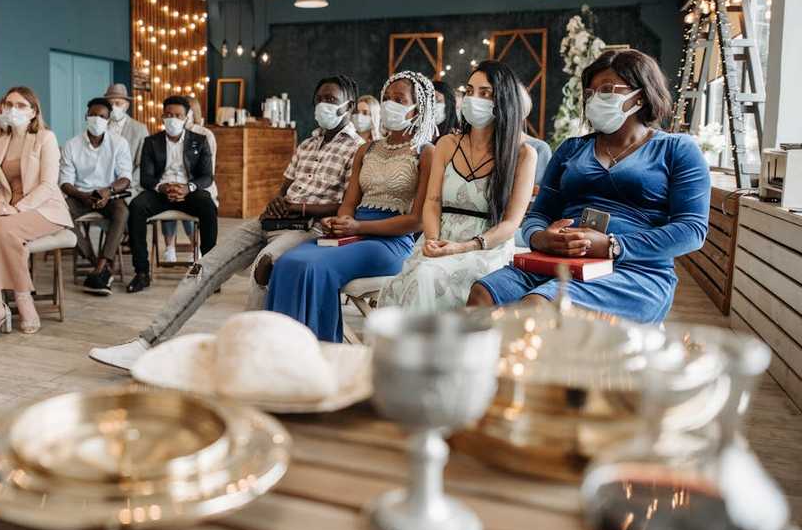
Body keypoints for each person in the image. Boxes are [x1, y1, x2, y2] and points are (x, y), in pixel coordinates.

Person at [88, 75, 364, 370]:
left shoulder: (358, 148)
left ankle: (247, 357)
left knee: (264, 266)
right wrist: (277, 203)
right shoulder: (309, 143)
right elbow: (285, 188)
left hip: (311, 228)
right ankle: (147, 343)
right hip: (274, 220)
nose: (323, 104)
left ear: (349, 105)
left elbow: (350, 204)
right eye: (319, 98)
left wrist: (301, 207)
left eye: (331, 99)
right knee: (203, 266)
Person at [469, 49, 711, 323]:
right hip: (560, 259)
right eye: (590, 93)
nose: (595, 99)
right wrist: (541, 238)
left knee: (538, 307)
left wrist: (612, 246)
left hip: (636, 270)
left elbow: (692, 230)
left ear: (640, 96)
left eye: (606, 90)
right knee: (481, 295)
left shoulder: (677, 149)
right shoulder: (572, 148)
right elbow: (539, 214)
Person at [265, 71, 436, 342]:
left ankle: (318, 351)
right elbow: (348, 204)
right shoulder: (366, 150)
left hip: (390, 242)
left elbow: (417, 221)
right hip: (350, 232)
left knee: (313, 267)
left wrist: (358, 225)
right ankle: (282, 350)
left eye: (400, 100)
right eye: (387, 98)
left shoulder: (425, 152)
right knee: (288, 261)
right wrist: (341, 222)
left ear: (417, 109)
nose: (391, 104)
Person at [380, 62, 536, 312]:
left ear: (503, 99)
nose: (475, 99)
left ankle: (431, 349)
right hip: (440, 238)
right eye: (470, 91)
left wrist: (464, 247)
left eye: (485, 93)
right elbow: (432, 202)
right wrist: (432, 241)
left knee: (426, 277)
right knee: (420, 274)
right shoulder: (447, 144)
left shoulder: (523, 154)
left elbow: (510, 224)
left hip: (485, 248)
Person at [0, 87, 73, 341]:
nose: (12, 110)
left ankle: (23, 300)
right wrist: (2, 206)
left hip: (44, 208)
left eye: (20, 105)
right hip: (11, 208)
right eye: (9, 105)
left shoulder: (45, 138)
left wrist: (16, 209)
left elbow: (49, 185)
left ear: (33, 112)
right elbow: (0, 186)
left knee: (4, 230)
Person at [124, 96, 218, 294]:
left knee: (208, 206)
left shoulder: (199, 141)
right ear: (162, 117)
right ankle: (142, 272)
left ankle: (210, 272)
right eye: (168, 115)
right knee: (136, 207)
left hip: (189, 192)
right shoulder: (151, 142)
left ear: (186, 118)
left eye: (178, 115)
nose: (173, 119)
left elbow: (207, 176)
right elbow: (145, 178)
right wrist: (163, 187)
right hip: (161, 192)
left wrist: (188, 187)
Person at [59, 97, 133, 296]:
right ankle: (98, 264)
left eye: (102, 116)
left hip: (109, 195)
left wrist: (108, 192)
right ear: (86, 116)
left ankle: (101, 265)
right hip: (80, 195)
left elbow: (126, 177)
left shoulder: (119, 143)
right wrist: (83, 196)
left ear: (108, 120)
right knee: (60, 213)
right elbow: (65, 182)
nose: (97, 119)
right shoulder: (72, 145)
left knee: (122, 212)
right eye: (93, 115)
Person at [161, 95, 218, 263]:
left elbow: (208, 171)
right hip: (173, 185)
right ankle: (169, 247)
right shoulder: (167, 135)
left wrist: (189, 186)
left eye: (181, 113)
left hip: (198, 185)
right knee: (171, 193)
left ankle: (196, 247)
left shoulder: (204, 135)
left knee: (193, 199)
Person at [105, 83, 149, 191]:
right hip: (101, 184)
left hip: (128, 187)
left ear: (126, 106)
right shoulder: (100, 126)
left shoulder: (139, 129)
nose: (113, 107)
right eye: (110, 104)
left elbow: (142, 165)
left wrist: (127, 185)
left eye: (118, 103)